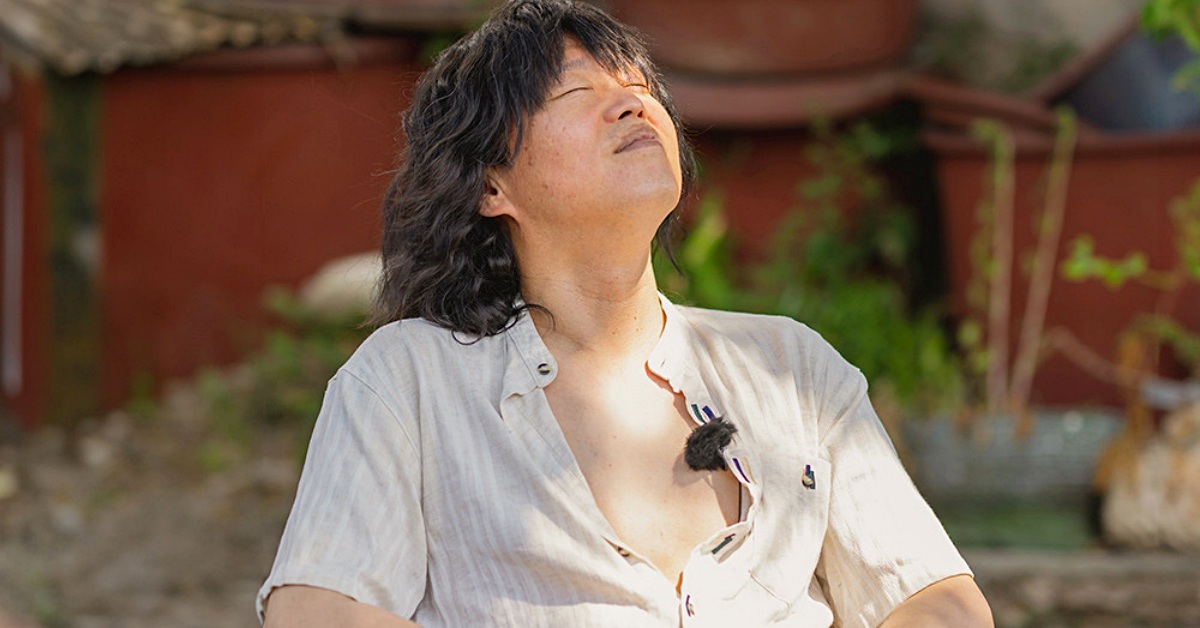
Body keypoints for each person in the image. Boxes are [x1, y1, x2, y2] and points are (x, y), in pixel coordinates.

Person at [258, 1, 993, 626]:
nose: (633, 103)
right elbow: (318, 609)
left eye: (641, 86)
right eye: (576, 92)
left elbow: (935, 598)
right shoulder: (410, 381)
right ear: (490, 186)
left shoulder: (792, 367)